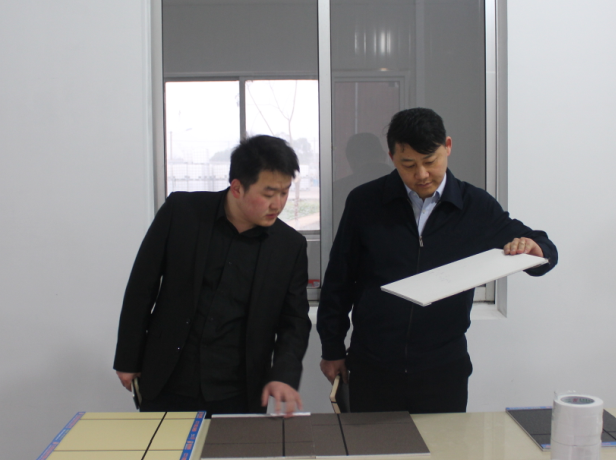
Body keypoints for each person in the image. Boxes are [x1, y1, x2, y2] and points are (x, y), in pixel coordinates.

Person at [317, 108, 558, 413]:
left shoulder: (474, 206)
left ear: (448, 147)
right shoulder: (365, 202)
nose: (421, 174)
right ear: (391, 157)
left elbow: (543, 246)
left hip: (443, 370)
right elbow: (339, 280)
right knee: (373, 445)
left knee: (443, 446)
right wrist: (332, 348)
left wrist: (535, 248)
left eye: (430, 161)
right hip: (373, 365)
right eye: (408, 165)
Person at [113, 135, 311, 416]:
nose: (278, 204)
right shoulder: (181, 212)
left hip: (239, 389)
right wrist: (128, 359)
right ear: (237, 188)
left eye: (285, 192)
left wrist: (284, 374)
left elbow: (295, 321)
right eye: (268, 194)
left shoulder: (289, 246)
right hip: (168, 379)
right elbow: (141, 287)